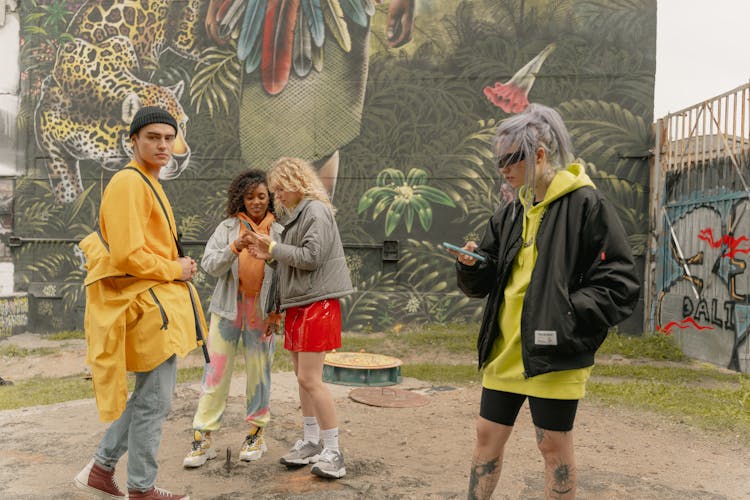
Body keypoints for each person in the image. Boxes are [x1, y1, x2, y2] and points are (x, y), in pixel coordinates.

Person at [449, 104, 640, 499]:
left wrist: (567, 315)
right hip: (505, 350)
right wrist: (471, 265)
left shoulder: (587, 205)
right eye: (497, 159)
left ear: (538, 154)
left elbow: (620, 282)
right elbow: (485, 281)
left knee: (553, 447)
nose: (502, 168)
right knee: (486, 437)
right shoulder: (509, 213)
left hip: (556, 352)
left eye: (509, 158)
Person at [75, 106, 206, 500]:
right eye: (153, 137)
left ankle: (101, 470)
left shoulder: (148, 182)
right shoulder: (129, 183)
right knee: (154, 402)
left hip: (155, 306)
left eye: (169, 137)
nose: (163, 144)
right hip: (148, 306)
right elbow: (129, 255)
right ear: (133, 141)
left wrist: (177, 266)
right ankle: (141, 489)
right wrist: (175, 268)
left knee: (150, 397)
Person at [245, 157, 353, 479]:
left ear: (295, 182)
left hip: (316, 305)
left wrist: (274, 248)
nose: (277, 194)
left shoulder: (315, 211)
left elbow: (311, 257)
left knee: (310, 379)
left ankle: (333, 450)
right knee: (302, 378)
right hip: (300, 304)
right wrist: (270, 254)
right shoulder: (301, 214)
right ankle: (310, 441)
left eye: (279, 187)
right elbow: (296, 260)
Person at [183, 169, 283, 468]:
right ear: (241, 197)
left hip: (262, 313)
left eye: (261, 196)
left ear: (270, 199)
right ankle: (202, 437)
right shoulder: (227, 228)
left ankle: (255, 433)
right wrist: (234, 247)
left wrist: (278, 311)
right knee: (215, 373)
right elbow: (210, 265)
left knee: (259, 372)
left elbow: (287, 272)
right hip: (228, 310)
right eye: (250, 196)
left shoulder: (279, 231)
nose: (255, 202)